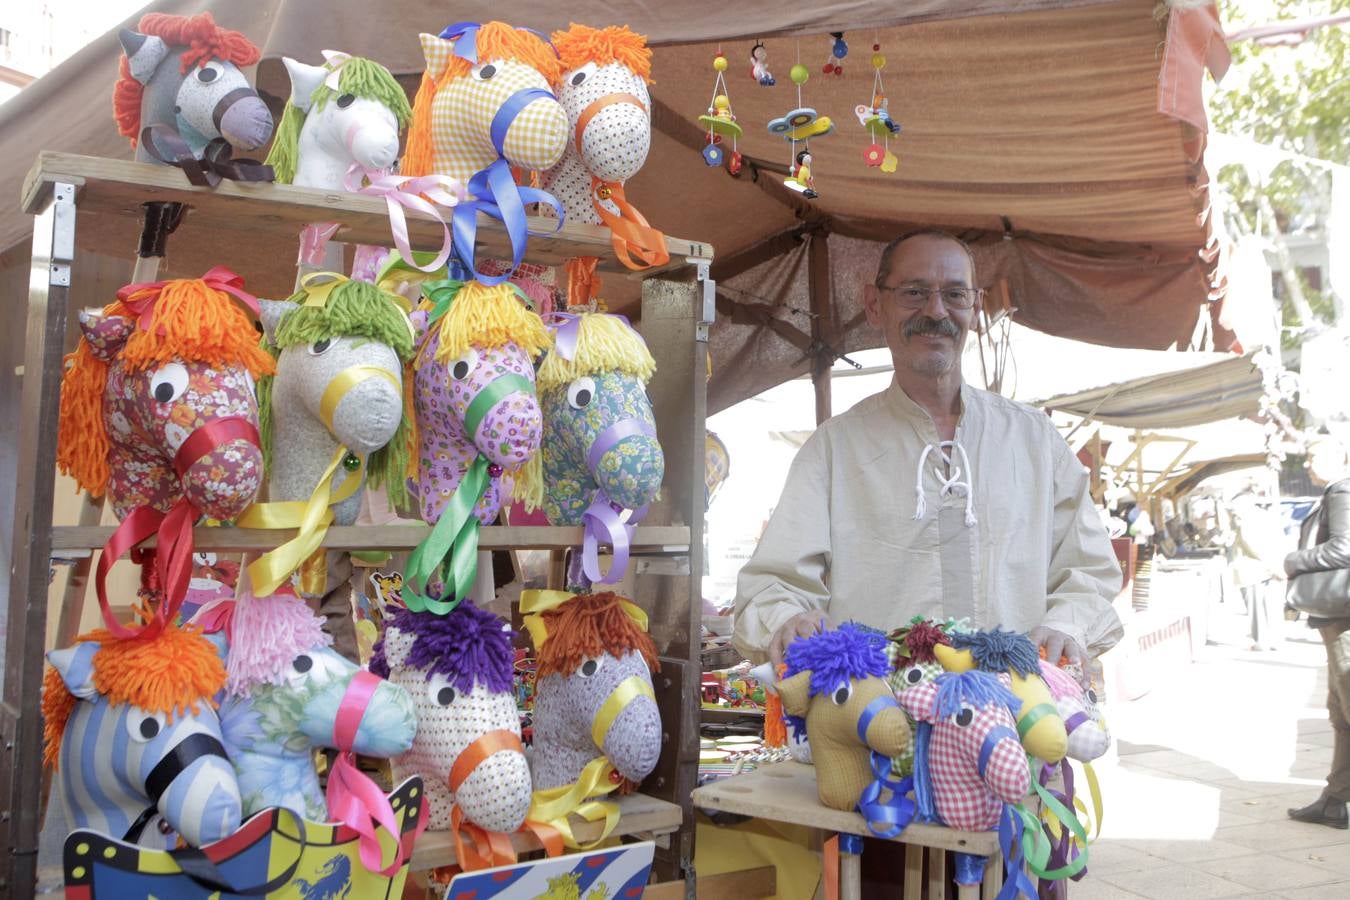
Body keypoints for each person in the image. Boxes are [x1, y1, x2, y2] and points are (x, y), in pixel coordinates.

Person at [732, 230, 1124, 671]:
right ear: (875, 304)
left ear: (975, 307)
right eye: (914, 292)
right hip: (880, 722)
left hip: (1017, 717)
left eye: (954, 294)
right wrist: (788, 620)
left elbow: (1090, 571)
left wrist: (1067, 625)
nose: (936, 311)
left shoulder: (1034, 440)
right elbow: (771, 585)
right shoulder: (834, 450)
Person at [1287, 437, 1350, 830]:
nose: (1308, 463)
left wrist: (1293, 561)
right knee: (1339, 710)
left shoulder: (1341, 489)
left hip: (1343, 617)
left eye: (1314, 456)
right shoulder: (1335, 491)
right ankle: (1334, 798)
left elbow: (1344, 548)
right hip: (1337, 618)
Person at [1228, 488, 1286, 651]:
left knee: (1256, 608)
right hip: (1267, 567)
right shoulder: (1264, 517)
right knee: (1272, 605)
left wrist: (1270, 563)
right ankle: (1275, 639)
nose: (1233, 510)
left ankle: (1262, 640)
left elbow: (1252, 545)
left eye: (1234, 506)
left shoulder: (1247, 520)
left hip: (1252, 569)